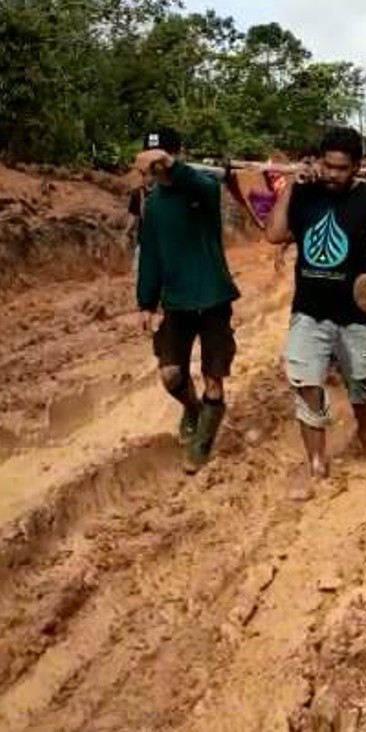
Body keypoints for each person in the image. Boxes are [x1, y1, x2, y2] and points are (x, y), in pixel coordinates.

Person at [266, 127, 366, 480]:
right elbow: (274, 234)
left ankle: (365, 433)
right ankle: (317, 459)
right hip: (309, 310)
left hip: (355, 313)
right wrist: (291, 184)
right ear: (319, 161)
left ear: (356, 166)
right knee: (306, 381)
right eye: (328, 165)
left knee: (363, 385)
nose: (333, 174)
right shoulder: (304, 193)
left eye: (341, 168)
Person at [136, 127, 240, 474]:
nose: (159, 166)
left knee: (214, 376)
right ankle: (193, 410)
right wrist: (146, 303)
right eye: (153, 158)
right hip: (176, 302)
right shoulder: (152, 205)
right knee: (169, 373)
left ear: (178, 154)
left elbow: (204, 186)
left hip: (212, 298)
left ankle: (202, 445)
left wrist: (172, 165)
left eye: (164, 157)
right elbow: (150, 255)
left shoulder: (202, 190)